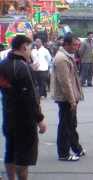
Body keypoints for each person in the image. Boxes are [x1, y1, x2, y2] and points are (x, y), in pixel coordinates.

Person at [0, 35, 47, 180]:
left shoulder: (3, 64)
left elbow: (8, 87)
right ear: (24, 47)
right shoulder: (23, 67)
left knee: (10, 151)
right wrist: (40, 119)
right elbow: (30, 98)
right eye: (30, 47)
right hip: (24, 119)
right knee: (23, 158)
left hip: (8, 114)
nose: (31, 50)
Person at [52, 33, 86, 162]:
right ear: (66, 44)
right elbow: (65, 82)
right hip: (66, 98)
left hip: (71, 97)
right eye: (74, 45)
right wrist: (72, 100)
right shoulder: (61, 58)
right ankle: (63, 154)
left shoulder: (67, 56)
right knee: (65, 126)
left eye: (77, 45)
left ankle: (77, 148)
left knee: (71, 124)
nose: (76, 47)